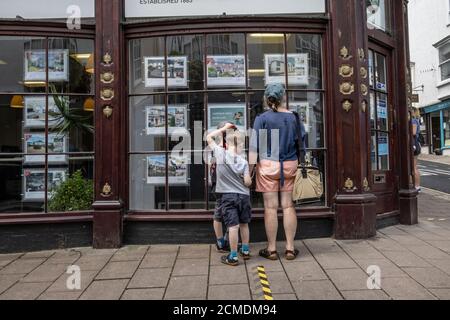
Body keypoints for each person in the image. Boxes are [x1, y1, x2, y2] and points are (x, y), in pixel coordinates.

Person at [249, 83, 306, 261]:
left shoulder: (262, 118)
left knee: (270, 208)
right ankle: (290, 248)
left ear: (267, 98)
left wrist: (249, 171)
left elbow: (253, 148)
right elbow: (301, 142)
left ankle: (272, 249)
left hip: (267, 165)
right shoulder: (294, 117)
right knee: (288, 206)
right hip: (290, 165)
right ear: (284, 98)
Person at [207, 123, 252, 266]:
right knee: (244, 224)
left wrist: (222, 129)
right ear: (240, 146)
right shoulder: (244, 162)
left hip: (227, 196)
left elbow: (208, 137)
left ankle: (232, 256)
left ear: (227, 142)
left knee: (233, 227)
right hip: (244, 197)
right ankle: (245, 250)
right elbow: (248, 182)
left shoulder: (220, 154)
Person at [209, 122, 230, 253]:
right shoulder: (221, 147)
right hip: (223, 185)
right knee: (224, 213)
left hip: (220, 184)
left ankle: (223, 241)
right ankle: (222, 242)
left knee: (222, 213)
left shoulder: (216, 147)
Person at [411, 107, 422, 192]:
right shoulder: (416, 120)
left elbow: (413, 132)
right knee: (413, 167)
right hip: (416, 144)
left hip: (414, 145)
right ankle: (416, 186)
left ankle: (417, 186)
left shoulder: (414, 120)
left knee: (414, 167)